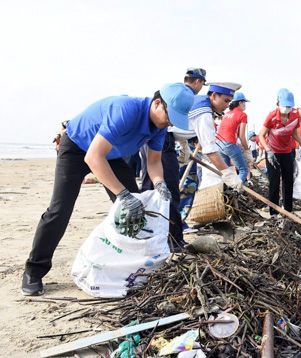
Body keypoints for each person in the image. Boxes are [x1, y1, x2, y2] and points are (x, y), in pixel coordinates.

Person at [21, 83, 194, 296]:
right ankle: (34, 271)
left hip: (111, 156)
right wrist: (123, 195)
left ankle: (131, 267)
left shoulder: (159, 126)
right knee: (59, 210)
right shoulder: (126, 110)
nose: (169, 123)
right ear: (157, 103)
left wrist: (159, 183)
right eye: (170, 117)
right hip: (77, 148)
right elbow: (93, 157)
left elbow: (154, 161)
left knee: (139, 210)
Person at [139, 68, 208, 250]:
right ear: (197, 82)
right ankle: (172, 239)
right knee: (166, 189)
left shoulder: (181, 97)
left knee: (154, 186)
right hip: (162, 141)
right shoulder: (181, 97)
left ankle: (157, 235)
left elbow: (177, 127)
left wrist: (185, 146)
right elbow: (171, 126)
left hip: (164, 141)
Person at [258, 89, 301, 215]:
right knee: (274, 183)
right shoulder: (272, 116)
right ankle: (273, 213)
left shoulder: (295, 117)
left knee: (288, 181)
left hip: (287, 152)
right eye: (284, 106)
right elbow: (261, 135)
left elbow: (295, 134)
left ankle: (288, 211)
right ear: (278, 103)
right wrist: (268, 151)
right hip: (273, 152)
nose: (286, 109)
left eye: (289, 106)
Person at [188, 82, 243, 190]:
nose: (227, 106)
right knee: (184, 190)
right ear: (213, 96)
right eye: (226, 101)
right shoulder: (204, 113)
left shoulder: (201, 102)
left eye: (229, 102)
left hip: (179, 146)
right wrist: (229, 175)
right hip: (167, 145)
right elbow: (210, 150)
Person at [216, 92, 252, 183]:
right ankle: (236, 191)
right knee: (244, 170)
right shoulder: (242, 115)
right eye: (244, 102)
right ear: (240, 103)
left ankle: (226, 191)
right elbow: (242, 136)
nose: (245, 105)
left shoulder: (227, 113)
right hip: (229, 144)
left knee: (226, 171)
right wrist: (247, 151)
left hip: (219, 144)